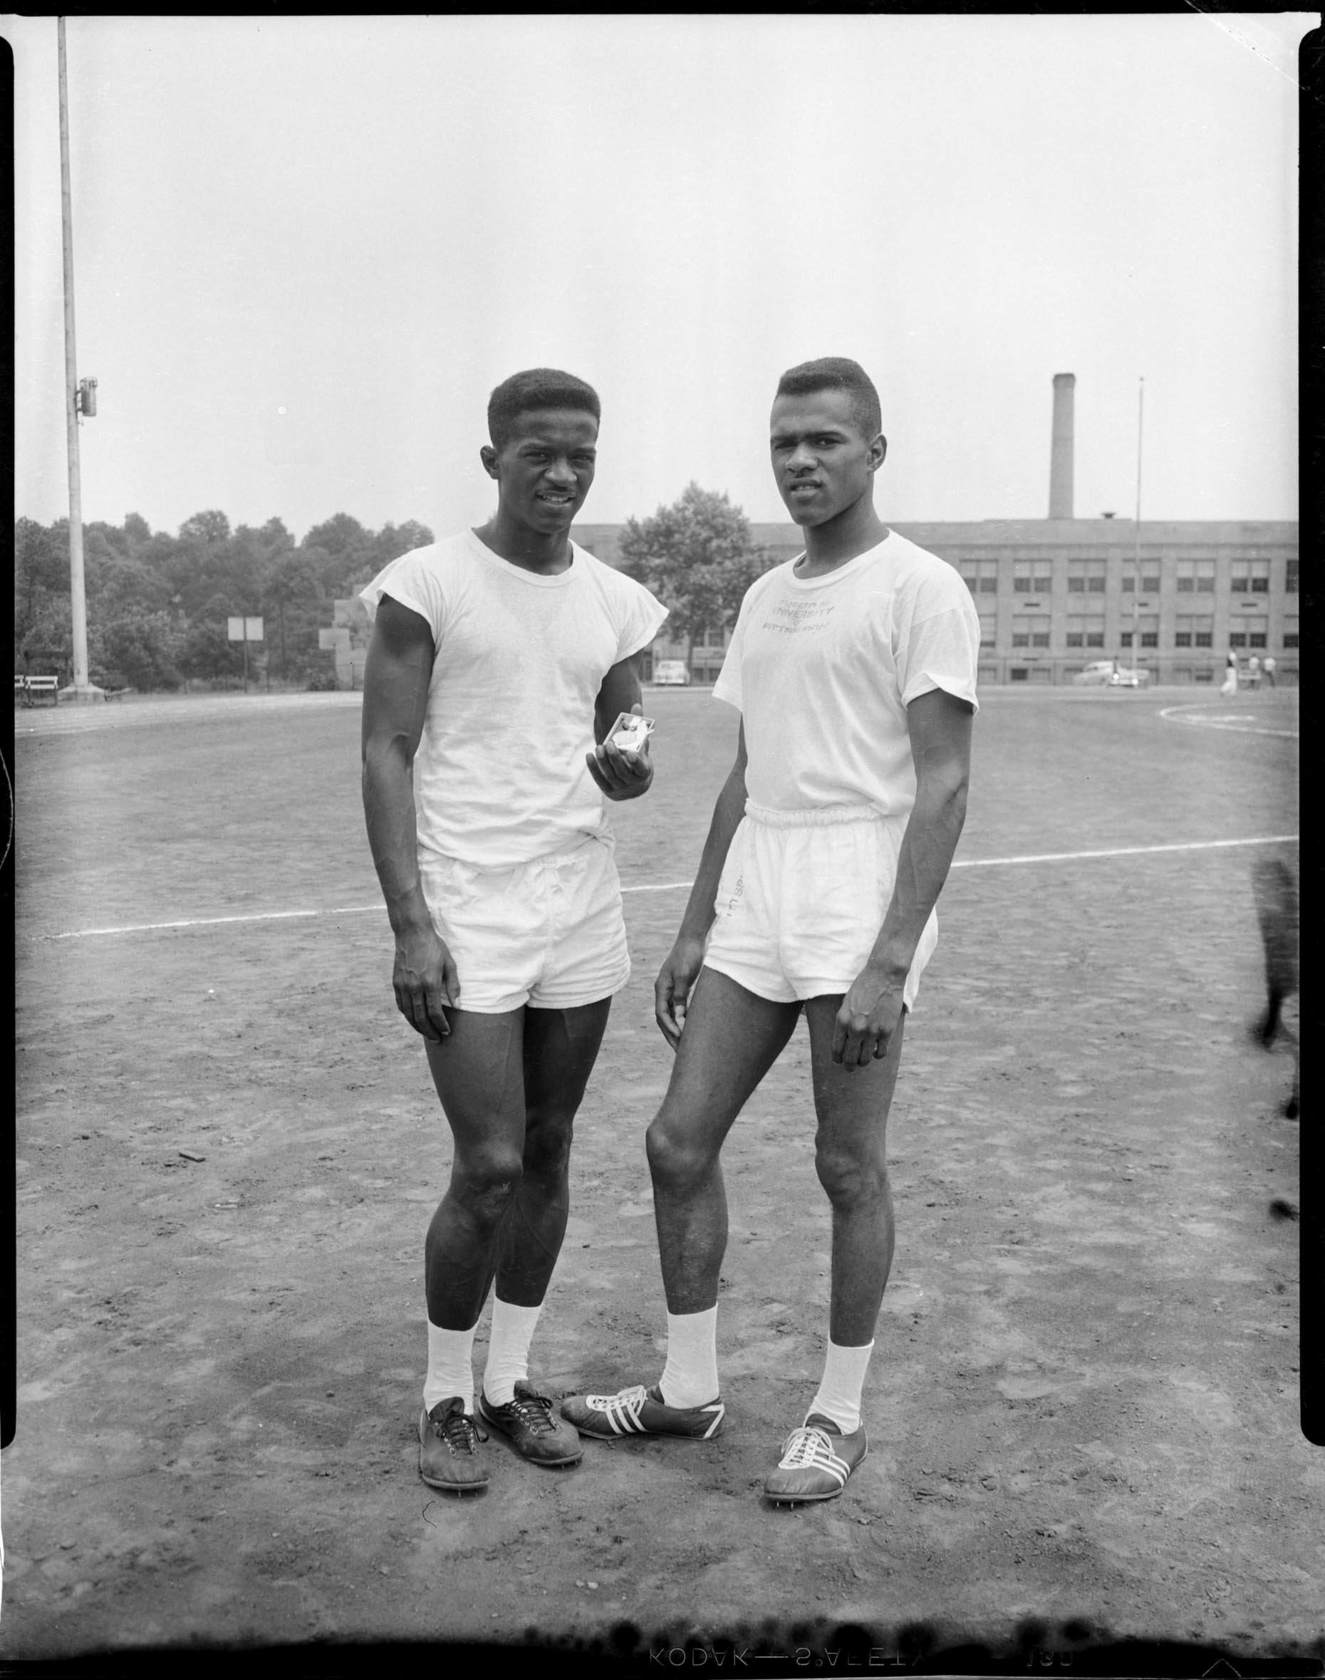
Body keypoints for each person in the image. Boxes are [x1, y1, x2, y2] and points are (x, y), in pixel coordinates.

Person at [561, 357, 979, 1505]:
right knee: (674, 1141)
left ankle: (836, 1414)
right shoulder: (761, 596)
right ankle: (687, 1389)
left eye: (824, 442)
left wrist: (891, 956)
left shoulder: (919, 587)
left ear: (873, 451)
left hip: (860, 889)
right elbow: (746, 775)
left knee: (845, 1163)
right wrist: (694, 926)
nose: (799, 460)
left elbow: (942, 787)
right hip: (760, 884)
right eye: (783, 442)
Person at [360, 368, 668, 1495]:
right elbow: (385, 752)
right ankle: (443, 1394)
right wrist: (410, 925)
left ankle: (510, 1382)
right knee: (486, 1162)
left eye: (582, 453)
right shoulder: (428, 584)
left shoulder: (616, 600)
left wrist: (628, 762)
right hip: (467, 905)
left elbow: (628, 725)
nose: (563, 473)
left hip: (577, 901)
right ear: (491, 458)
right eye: (539, 452)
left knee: (547, 1149)